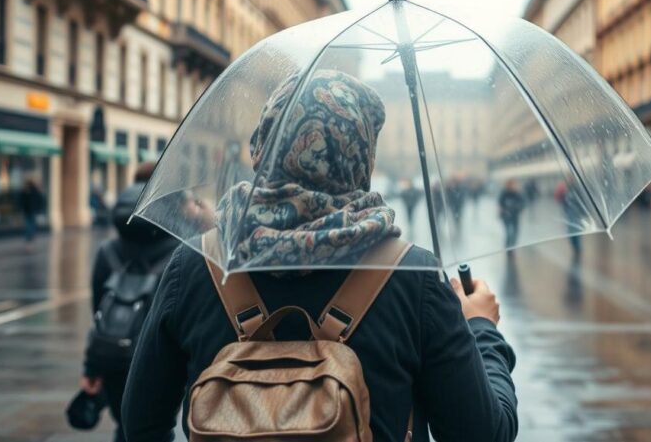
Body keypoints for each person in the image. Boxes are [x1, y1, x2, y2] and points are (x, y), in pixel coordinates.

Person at [121, 71, 518, 442]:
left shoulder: (194, 264)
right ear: (361, 158)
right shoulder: (412, 276)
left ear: (261, 146)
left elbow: (140, 423)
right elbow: (485, 433)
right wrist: (481, 327)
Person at [81, 162, 180, 442]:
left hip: (114, 354)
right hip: (159, 358)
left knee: (123, 427)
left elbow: (99, 311)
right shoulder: (178, 248)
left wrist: (92, 367)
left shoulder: (108, 251)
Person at [554, 181, 582, 261]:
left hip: (576, 212)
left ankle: (578, 247)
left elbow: (581, 201)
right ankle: (575, 246)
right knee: (570, 231)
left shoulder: (577, 189)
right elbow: (560, 200)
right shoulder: (565, 190)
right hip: (568, 212)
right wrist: (562, 195)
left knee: (576, 229)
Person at [499, 179, 525, 251]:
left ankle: (513, 246)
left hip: (515, 216)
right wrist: (503, 210)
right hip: (506, 216)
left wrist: (518, 207)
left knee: (515, 232)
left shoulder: (517, 193)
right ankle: (508, 246)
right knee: (508, 232)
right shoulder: (504, 193)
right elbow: (500, 203)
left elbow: (522, 203)